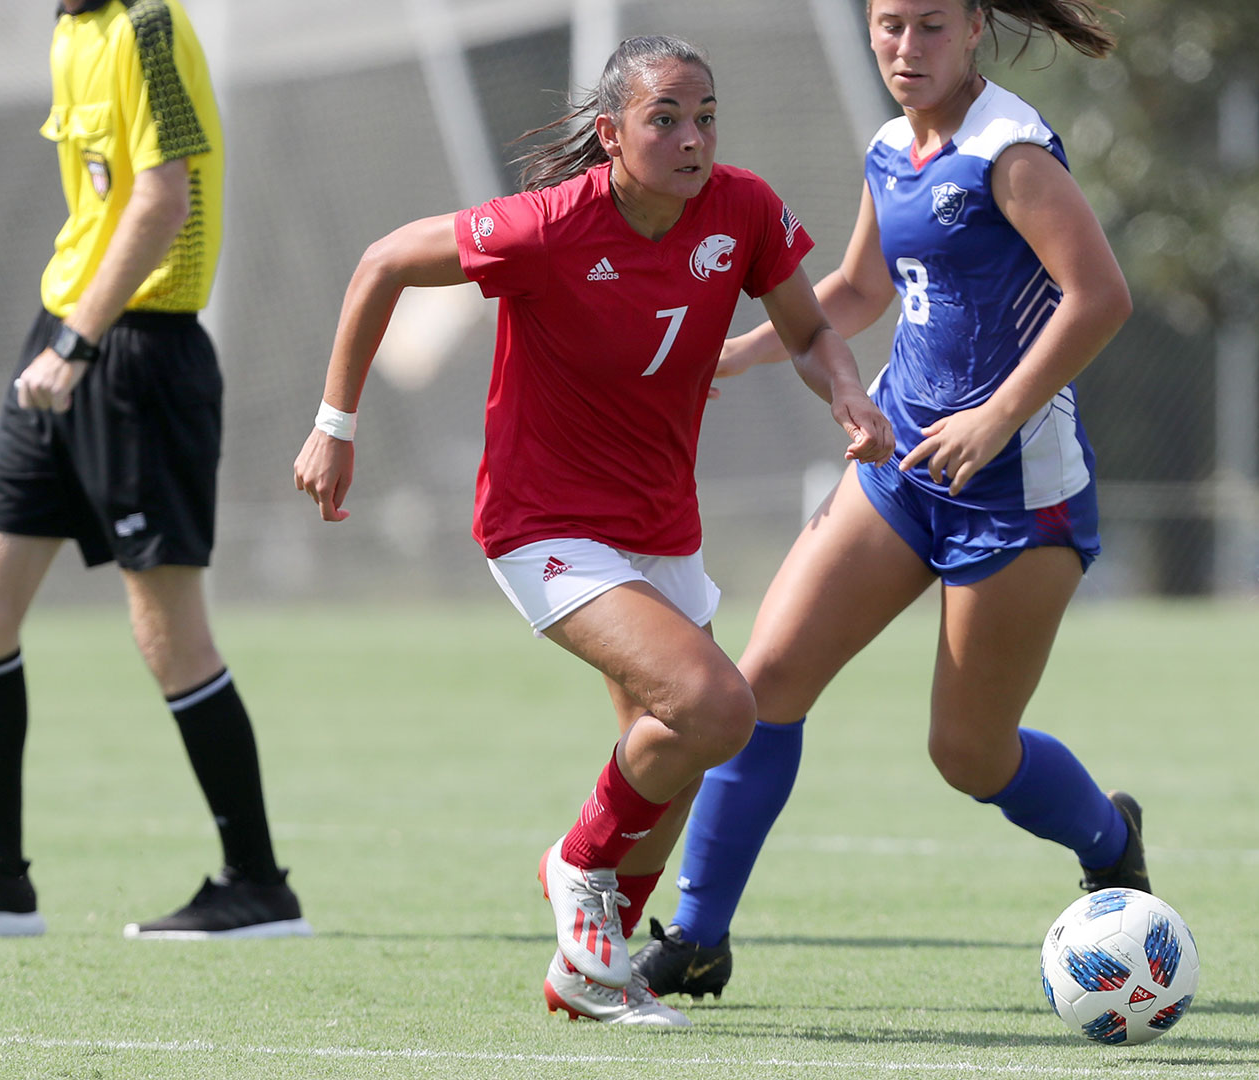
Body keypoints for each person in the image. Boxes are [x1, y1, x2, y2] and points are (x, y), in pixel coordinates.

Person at [292, 35, 892, 1025]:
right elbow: (384, 262)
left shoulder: (739, 209)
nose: (692, 138)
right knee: (719, 710)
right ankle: (574, 867)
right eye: (666, 119)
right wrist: (334, 425)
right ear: (612, 135)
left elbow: (808, 326)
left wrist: (847, 395)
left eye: (705, 117)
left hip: (660, 526)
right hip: (543, 524)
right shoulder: (547, 226)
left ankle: (590, 973)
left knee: (672, 761)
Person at [630, 0, 1143, 1001]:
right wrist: (726, 353)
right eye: (889, 24)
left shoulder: (1010, 150)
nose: (906, 49)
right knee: (761, 685)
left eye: (931, 27)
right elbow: (861, 293)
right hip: (901, 466)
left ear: (976, 32)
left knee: (967, 753)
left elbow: (1102, 297)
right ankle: (697, 938)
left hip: (1016, 497)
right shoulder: (888, 147)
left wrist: (996, 417)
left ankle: (1109, 837)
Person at [0, 0, 309, 940]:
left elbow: (162, 198)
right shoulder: (71, 29)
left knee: (172, 639)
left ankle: (258, 885)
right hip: (63, 342)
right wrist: (62, 340)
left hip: (134, 356)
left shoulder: (147, 24)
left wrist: (76, 342)